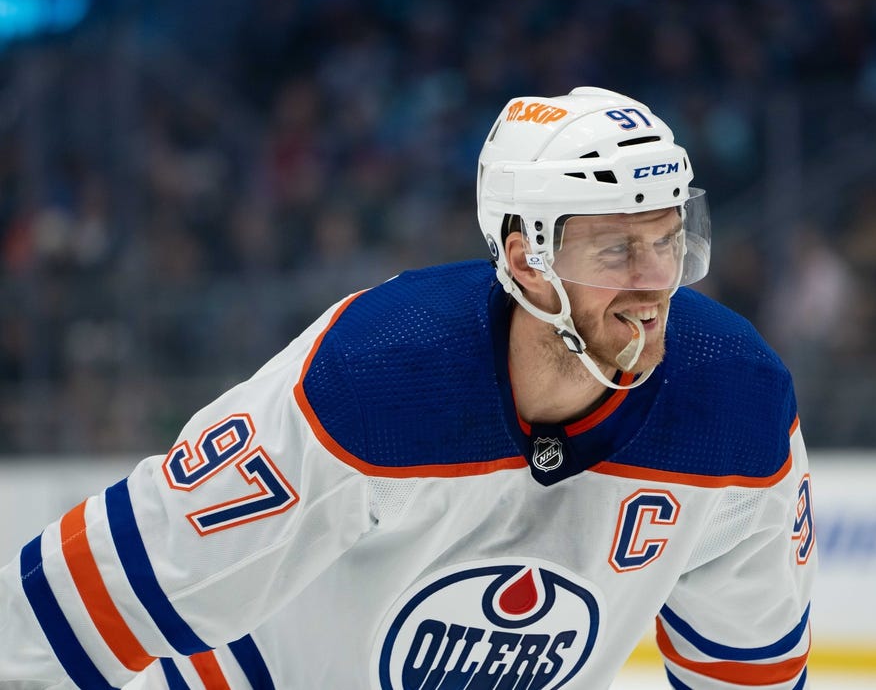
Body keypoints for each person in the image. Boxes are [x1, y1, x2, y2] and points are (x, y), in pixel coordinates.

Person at [0, 87, 815, 689]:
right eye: (615, 250)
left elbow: (750, 667)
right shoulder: (378, 374)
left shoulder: (737, 403)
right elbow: (101, 587)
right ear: (527, 258)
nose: (653, 283)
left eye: (667, 240)